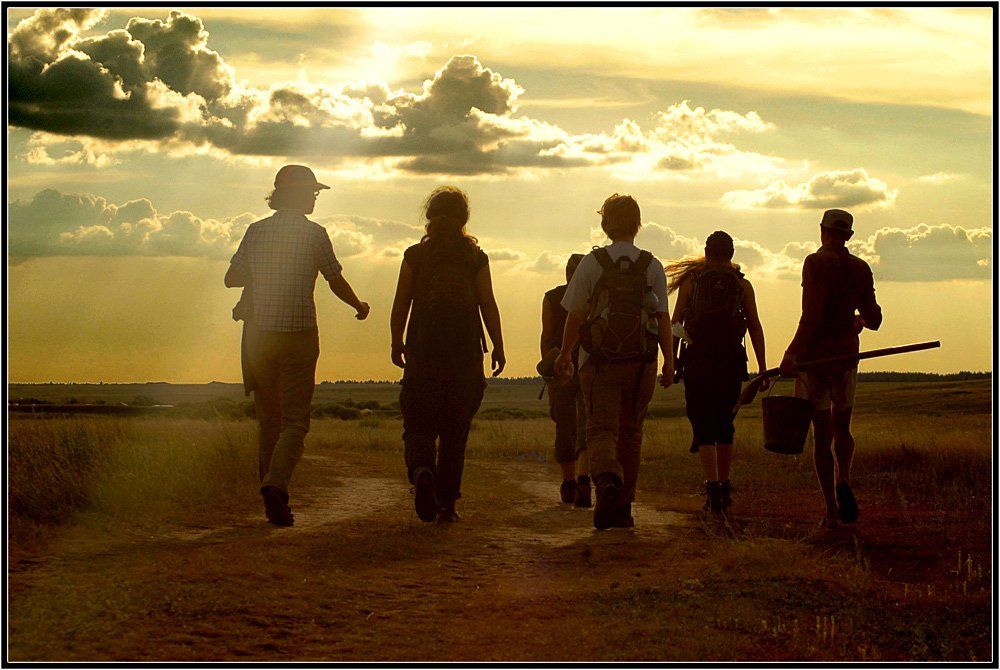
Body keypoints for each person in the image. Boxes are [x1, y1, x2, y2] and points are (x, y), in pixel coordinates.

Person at [226, 165, 370, 527]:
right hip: (300, 335)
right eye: (312, 192)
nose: (315, 198)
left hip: (259, 337)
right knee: (294, 422)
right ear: (300, 195)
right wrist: (359, 306)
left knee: (268, 421)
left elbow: (231, 278)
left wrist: (261, 274)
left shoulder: (255, 231)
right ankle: (276, 485)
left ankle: (269, 499)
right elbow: (335, 280)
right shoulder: (315, 234)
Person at [555, 194, 673, 530]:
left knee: (600, 428)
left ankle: (607, 480)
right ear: (637, 225)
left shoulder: (592, 263)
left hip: (598, 362)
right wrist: (669, 360)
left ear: (606, 225)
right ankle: (623, 507)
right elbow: (662, 318)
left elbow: (576, 314)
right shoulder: (651, 265)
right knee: (631, 432)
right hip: (641, 362)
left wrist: (565, 353)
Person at [390, 186, 505, 523]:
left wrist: (396, 341)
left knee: (418, 424)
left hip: (423, 351)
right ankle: (447, 504)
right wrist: (498, 345)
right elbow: (487, 303)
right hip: (465, 354)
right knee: (456, 432)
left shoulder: (415, 255)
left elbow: (401, 302)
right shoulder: (475, 257)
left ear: (429, 216)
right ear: (463, 218)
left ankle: (422, 470)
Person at [779, 209, 882, 529]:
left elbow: (810, 316)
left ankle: (830, 510)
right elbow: (875, 319)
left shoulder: (815, 263)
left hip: (815, 361)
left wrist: (791, 353)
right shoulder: (860, 268)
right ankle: (844, 477)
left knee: (822, 435)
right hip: (846, 358)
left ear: (822, 231)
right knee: (843, 428)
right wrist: (858, 321)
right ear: (848, 236)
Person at [667, 231, 767, 513]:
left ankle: (711, 487)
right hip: (731, 360)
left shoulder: (692, 281)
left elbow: (675, 324)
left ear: (707, 251)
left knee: (702, 423)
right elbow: (755, 326)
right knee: (725, 422)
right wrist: (762, 367)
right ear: (731, 253)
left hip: (697, 359)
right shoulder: (742, 284)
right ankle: (724, 485)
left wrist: (671, 362)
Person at [540, 253, 591, 507]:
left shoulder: (552, 297)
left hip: (561, 368)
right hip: (589, 364)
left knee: (565, 425)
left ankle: (569, 483)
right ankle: (584, 481)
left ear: (567, 273)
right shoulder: (593, 297)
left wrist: (550, 373)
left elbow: (546, 337)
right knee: (587, 425)